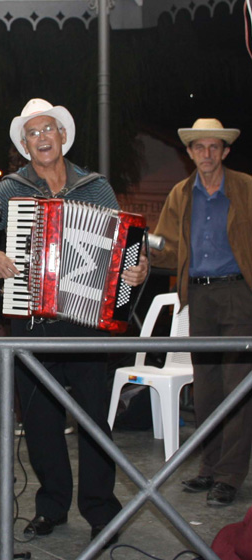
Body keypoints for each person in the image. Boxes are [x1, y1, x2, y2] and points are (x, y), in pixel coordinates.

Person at [0, 98, 147, 546]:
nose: (41, 138)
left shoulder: (95, 187)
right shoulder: (10, 191)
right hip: (32, 321)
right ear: (23, 145)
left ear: (62, 135)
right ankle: (51, 507)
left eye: (48, 130)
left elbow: (129, 248)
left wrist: (136, 268)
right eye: (32, 133)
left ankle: (101, 510)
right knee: (42, 423)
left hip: (85, 321)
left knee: (93, 421)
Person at [151, 118, 252, 508]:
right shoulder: (181, 193)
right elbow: (168, 246)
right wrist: (143, 248)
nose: (206, 154)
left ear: (225, 152)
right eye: (200, 148)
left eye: (214, 147)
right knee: (206, 386)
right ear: (190, 153)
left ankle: (230, 475)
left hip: (240, 294)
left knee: (238, 388)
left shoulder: (245, 187)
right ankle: (209, 467)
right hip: (199, 295)